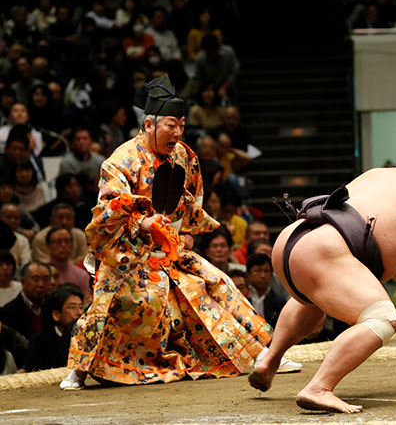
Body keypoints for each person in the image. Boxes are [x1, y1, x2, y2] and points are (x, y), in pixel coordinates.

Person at [61, 75, 271, 390]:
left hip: (169, 249)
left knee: (217, 285)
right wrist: (143, 224)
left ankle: (262, 355)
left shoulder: (184, 155)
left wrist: (184, 230)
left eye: (182, 125)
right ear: (148, 125)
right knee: (111, 303)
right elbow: (108, 207)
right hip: (127, 253)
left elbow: (191, 198)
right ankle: (79, 370)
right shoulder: (120, 160)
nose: (178, 133)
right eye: (171, 125)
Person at [249, 155, 396, 413]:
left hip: (292, 239)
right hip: (327, 250)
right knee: (383, 319)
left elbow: (372, 242)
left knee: (314, 298)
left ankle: (270, 360)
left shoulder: (378, 176)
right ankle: (319, 387)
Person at [23, 284, 83, 371]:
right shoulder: (39, 342)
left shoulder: (86, 339)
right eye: (73, 307)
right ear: (56, 315)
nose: (79, 313)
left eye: (81, 307)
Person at [0, 261, 52, 339]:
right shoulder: (8, 312)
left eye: (45, 279)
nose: (41, 284)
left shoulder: (53, 305)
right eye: (36, 279)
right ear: (23, 282)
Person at [46, 226, 92, 303]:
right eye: (58, 241)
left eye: (67, 241)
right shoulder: (41, 273)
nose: (63, 245)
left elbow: (86, 303)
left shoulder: (81, 275)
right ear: (48, 246)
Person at [247, 253, 286, 329]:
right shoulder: (242, 297)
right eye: (258, 271)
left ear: (272, 274)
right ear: (248, 274)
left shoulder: (279, 301)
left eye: (266, 271)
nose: (263, 276)